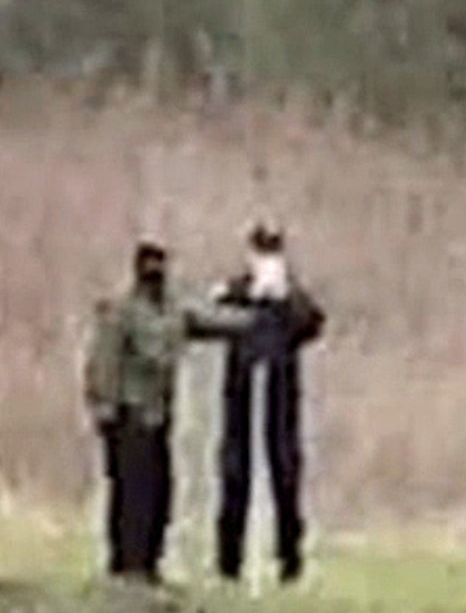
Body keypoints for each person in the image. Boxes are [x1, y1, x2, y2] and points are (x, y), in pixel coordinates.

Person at [84, 241, 250, 585]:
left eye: (160, 265)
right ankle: (127, 564)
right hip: (128, 415)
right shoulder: (121, 311)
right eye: (150, 266)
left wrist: (259, 314)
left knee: (159, 492)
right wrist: (105, 409)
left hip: (157, 415)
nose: (156, 273)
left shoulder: (174, 312)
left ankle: (148, 562)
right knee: (131, 493)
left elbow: (216, 322)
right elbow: (103, 362)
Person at [210, 223, 327, 585]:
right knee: (235, 475)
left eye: (272, 250)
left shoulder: (291, 294)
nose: (266, 258)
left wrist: (285, 295)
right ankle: (229, 561)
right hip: (241, 395)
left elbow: (313, 323)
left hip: (280, 397)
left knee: (286, 476)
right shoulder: (236, 289)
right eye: (262, 250)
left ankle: (289, 559)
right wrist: (243, 294)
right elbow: (214, 316)